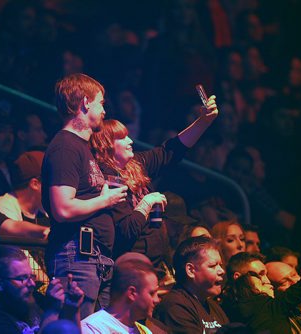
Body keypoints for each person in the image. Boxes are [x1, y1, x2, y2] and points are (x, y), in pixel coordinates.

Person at [89, 90, 218, 269]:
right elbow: (125, 231)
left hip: (155, 262)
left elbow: (171, 150)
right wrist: (147, 202)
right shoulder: (107, 178)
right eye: (122, 137)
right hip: (130, 266)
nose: (130, 140)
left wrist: (203, 122)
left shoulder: (136, 163)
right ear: (106, 144)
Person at [42, 73, 128, 318]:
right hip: (77, 257)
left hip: (93, 259)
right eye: (101, 102)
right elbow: (62, 209)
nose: (104, 109)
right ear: (85, 103)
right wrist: (105, 200)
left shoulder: (82, 147)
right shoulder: (65, 147)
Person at [0, 246, 84, 333]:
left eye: (31, 277)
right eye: (23, 278)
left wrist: (73, 309)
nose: (32, 284)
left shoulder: (35, 299)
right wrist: (52, 311)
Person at [0, 150, 49, 283]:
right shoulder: (2, 207)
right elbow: (20, 256)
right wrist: (47, 288)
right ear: (35, 184)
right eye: (51, 179)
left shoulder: (43, 210)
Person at [153, 236, 229, 333]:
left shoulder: (215, 308)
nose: (222, 271)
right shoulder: (175, 307)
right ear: (190, 270)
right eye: (213, 266)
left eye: (221, 265)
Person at [81, 259, 159, 334]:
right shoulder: (92, 328)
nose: (157, 300)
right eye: (152, 293)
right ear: (132, 293)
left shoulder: (145, 331)